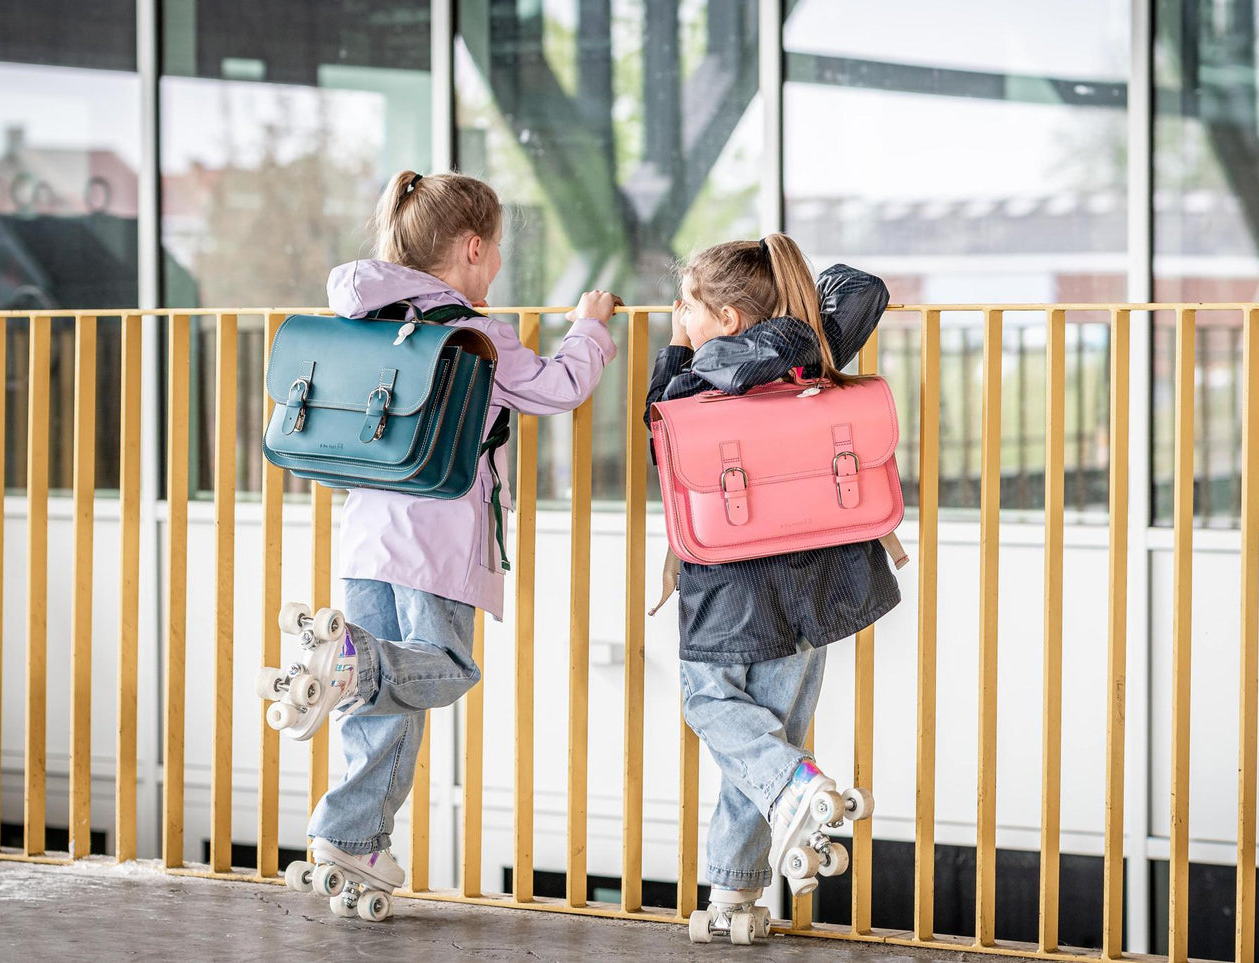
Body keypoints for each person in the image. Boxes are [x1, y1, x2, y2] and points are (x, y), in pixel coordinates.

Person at [284, 170, 620, 898]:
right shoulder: (474, 334)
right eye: (495, 249)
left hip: (366, 534)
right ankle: (351, 667)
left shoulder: (360, 320)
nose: (496, 265)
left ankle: (352, 840)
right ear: (473, 248)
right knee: (440, 665)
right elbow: (558, 387)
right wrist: (590, 326)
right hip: (436, 538)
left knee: (380, 697)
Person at [645, 233, 899, 940]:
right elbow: (863, 285)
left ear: (726, 320)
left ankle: (794, 785)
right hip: (814, 578)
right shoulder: (811, 350)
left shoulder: (695, 379)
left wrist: (673, 351)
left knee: (716, 708)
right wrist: (797, 309)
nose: (681, 316)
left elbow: (656, 441)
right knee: (766, 732)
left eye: (690, 306)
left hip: (727, 581)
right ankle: (735, 892)